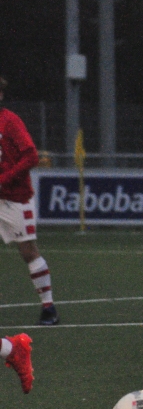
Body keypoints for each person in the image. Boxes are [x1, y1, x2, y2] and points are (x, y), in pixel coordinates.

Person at [0, 76, 58, 325]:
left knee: (28, 251)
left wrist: (4, 179)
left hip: (16, 198)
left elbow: (31, 156)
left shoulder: (10, 121)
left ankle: (49, 309)